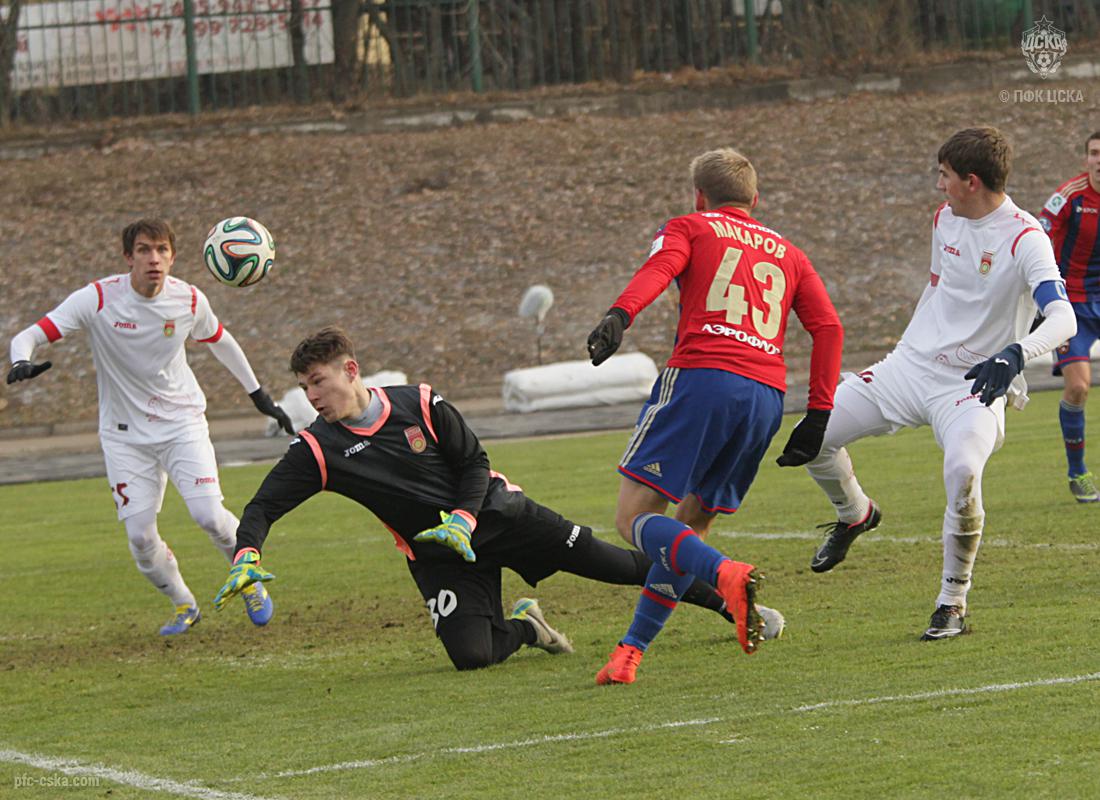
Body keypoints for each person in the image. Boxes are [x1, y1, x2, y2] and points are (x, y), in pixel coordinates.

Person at [210, 326, 744, 672]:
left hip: (500, 516)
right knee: (472, 657)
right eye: (304, 387)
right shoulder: (317, 448)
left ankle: (731, 602)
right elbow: (262, 506)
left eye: (318, 382)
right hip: (439, 557)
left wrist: (463, 519)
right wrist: (246, 553)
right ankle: (529, 626)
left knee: (617, 565)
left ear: (350, 371)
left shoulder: (420, 402)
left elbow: (474, 462)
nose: (311, 397)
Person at [802, 127, 1076, 639]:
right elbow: (937, 289)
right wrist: (907, 351)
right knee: (812, 433)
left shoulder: (1026, 238)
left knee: (964, 473)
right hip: (910, 368)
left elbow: (1064, 318)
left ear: (971, 181)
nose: (938, 184)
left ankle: (952, 602)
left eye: (944, 175)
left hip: (972, 385)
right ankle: (855, 513)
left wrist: (1015, 354)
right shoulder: (944, 218)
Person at [585, 147, 844, 684]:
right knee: (690, 528)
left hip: (702, 378)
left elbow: (660, 269)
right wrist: (818, 412)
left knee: (633, 519)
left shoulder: (690, 226)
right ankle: (629, 653)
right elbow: (828, 327)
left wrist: (620, 314)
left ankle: (726, 574)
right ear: (756, 199)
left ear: (699, 196)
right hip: (766, 396)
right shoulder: (790, 253)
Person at [6, 218, 294, 636]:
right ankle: (184, 604)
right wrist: (20, 360)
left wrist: (259, 396)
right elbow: (29, 335)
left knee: (210, 516)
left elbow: (221, 341)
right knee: (140, 538)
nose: (153, 259)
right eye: (144, 250)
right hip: (124, 437)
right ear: (128, 257)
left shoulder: (189, 299)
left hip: (182, 424)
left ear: (173, 257)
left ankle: (249, 579)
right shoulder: (98, 299)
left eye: (162, 250)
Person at [1037, 130, 1100, 502]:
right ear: (1087, 158)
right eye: (1094, 153)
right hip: (1072, 304)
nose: (1099, 160)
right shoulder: (1069, 197)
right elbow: (1037, 236)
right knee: (1078, 388)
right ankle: (1078, 473)